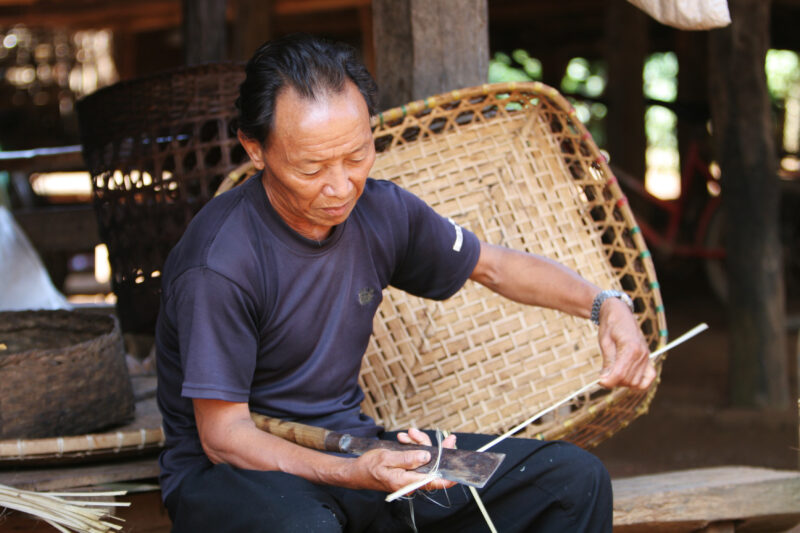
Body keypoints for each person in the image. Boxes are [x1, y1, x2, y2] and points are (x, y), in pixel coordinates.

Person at [155, 34, 656, 533]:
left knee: (571, 481)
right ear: (255, 148)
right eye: (311, 167)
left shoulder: (380, 211)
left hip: (362, 453)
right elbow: (224, 436)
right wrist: (352, 472)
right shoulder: (220, 262)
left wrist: (604, 305)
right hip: (239, 479)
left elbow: (495, 265)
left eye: (356, 156)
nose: (340, 186)